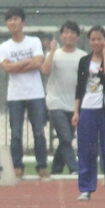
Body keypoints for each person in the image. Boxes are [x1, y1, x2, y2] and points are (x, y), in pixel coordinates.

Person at [0, 7, 48, 179]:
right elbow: (6, 68)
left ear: (23, 22)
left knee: (39, 132)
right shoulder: (4, 46)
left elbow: (38, 63)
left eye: (16, 19)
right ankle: (17, 166)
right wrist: (27, 61)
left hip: (35, 94)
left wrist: (17, 66)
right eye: (9, 20)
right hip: (15, 96)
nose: (13, 22)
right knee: (16, 133)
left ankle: (42, 166)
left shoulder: (34, 42)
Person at [73, 26, 105, 201]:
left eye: (99, 39)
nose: (96, 43)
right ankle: (86, 188)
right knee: (86, 150)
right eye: (93, 39)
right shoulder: (84, 61)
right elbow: (79, 87)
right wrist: (76, 111)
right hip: (87, 109)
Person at [42, 21, 85, 176]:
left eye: (73, 32)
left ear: (78, 36)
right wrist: (52, 52)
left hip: (74, 104)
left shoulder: (83, 56)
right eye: (66, 32)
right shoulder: (54, 54)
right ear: (61, 36)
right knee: (65, 137)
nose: (69, 35)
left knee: (65, 138)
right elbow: (45, 70)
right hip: (56, 102)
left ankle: (56, 169)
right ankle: (75, 169)